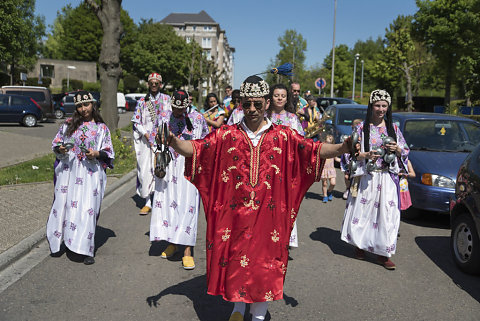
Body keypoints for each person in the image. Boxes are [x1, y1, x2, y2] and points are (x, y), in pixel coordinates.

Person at [162, 75, 352, 321]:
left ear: (266, 103)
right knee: (236, 259)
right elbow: (196, 149)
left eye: (257, 104)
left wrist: (342, 148)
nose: (251, 109)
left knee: (265, 263)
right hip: (235, 216)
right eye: (246, 104)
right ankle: (238, 309)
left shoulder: (284, 136)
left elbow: (313, 150)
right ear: (240, 104)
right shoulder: (226, 134)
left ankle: (259, 314)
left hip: (269, 215)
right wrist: (173, 141)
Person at [340, 89, 409, 270]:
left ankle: (383, 253)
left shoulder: (393, 128)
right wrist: (365, 154)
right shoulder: (361, 128)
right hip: (368, 176)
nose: (380, 109)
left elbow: (406, 150)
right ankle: (360, 246)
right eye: (377, 105)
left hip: (386, 177)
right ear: (371, 106)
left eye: (384, 106)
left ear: (388, 107)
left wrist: (397, 149)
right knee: (363, 212)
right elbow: (350, 153)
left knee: (386, 214)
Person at [46, 91, 115, 265]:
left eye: (86, 105)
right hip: (69, 172)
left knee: (87, 210)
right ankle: (63, 241)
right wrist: (60, 149)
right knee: (65, 206)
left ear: (93, 104)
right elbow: (56, 143)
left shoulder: (101, 128)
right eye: (79, 106)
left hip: (90, 174)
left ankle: (86, 248)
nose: (83, 109)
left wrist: (97, 153)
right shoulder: (68, 124)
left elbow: (108, 152)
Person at [150, 90, 209, 270]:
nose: (177, 111)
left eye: (180, 109)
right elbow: (156, 143)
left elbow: (205, 143)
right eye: (174, 107)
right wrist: (158, 163)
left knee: (188, 208)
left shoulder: (198, 119)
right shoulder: (163, 118)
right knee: (169, 205)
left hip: (188, 168)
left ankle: (187, 251)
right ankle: (172, 243)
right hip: (168, 167)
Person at [267, 83, 304, 249]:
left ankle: (283, 238)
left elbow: (301, 143)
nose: (280, 98)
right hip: (265, 167)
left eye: (283, 95)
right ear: (270, 97)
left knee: (284, 203)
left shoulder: (292, 118)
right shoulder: (264, 117)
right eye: (276, 95)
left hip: (286, 167)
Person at [131, 72, 171, 215]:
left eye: (156, 83)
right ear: (148, 84)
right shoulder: (142, 100)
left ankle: (160, 200)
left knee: (161, 168)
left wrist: (162, 134)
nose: (154, 85)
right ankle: (148, 202)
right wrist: (146, 134)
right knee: (145, 170)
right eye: (151, 83)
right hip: (146, 140)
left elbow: (170, 118)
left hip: (161, 139)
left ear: (160, 84)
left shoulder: (167, 99)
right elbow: (136, 120)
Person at [340, 118, 363, 200]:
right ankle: (348, 188)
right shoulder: (349, 137)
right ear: (352, 126)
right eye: (354, 127)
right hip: (348, 159)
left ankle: (356, 190)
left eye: (358, 127)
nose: (356, 129)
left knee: (357, 177)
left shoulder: (363, 138)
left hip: (358, 159)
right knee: (347, 177)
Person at [321, 133, 336, 203]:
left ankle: (329, 191)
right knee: (324, 183)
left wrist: (345, 162)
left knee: (333, 183)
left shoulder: (333, 151)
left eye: (330, 142)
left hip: (331, 169)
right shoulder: (322, 149)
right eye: (327, 142)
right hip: (324, 169)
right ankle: (325, 195)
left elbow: (336, 159)